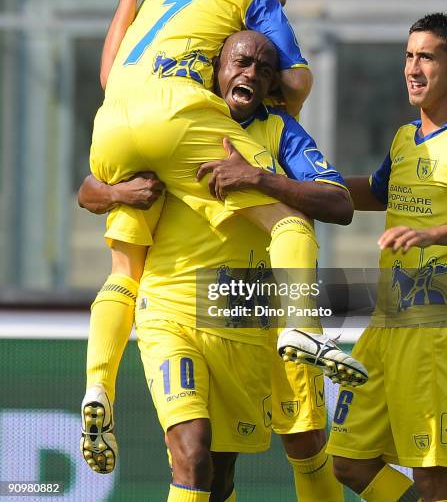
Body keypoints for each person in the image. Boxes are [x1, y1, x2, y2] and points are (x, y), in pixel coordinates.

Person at [88, 0, 368, 392]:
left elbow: (107, 77)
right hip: (176, 121)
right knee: (289, 219)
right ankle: (302, 327)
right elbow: (297, 79)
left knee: (123, 270)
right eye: (283, 1)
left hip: (111, 125)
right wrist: (277, 116)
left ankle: (97, 388)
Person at [80, 30, 350, 501]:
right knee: (192, 451)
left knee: (242, 466)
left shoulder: (279, 130)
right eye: (241, 62)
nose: (251, 74)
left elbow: (339, 203)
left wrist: (258, 177)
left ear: (271, 86)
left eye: (265, 70)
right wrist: (117, 193)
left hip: (249, 314)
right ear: (216, 68)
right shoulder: (175, 119)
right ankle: (97, 387)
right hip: (173, 308)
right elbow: (92, 185)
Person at [327, 13, 447, 502]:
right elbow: (377, 190)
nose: (413, 68)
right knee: (349, 461)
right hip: (386, 326)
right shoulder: (403, 140)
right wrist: (299, 186)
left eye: (428, 57)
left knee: (432, 477)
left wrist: (432, 234)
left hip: (433, 333)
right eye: (409, 56)